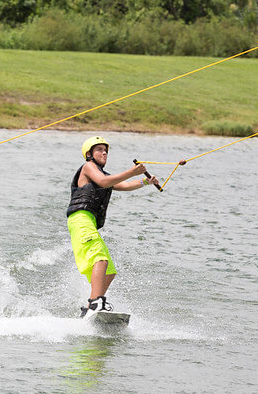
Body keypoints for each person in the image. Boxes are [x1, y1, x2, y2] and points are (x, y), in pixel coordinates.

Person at [66, 136, 184, 319]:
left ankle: (89, 306)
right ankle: (97, 302)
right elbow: (106, 182)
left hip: (88, 222)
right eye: (99, 150)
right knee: (100, 260)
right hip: (81, 218)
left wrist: (146, 182)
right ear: (89, 154)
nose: (104, 153)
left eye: (106, 150)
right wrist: (133, 171)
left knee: (110, 271)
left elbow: (123, 185)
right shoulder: (88, 167)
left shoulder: (103, 174)